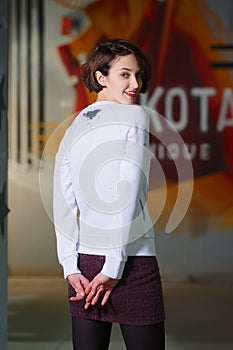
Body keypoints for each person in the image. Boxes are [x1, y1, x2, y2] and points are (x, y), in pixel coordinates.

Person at [53, 38, 165, 350]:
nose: (135, 84)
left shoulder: (74, 126)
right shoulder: (136, 116)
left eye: (138, 75)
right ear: (101, 78)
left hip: (84, 265)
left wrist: (70, 266)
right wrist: (114, 265)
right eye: (125, 74)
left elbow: (62, 202)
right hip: (131, 260)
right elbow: (125, 194)